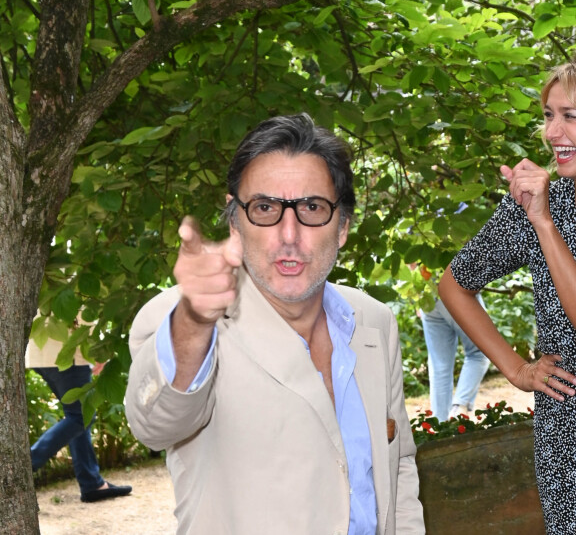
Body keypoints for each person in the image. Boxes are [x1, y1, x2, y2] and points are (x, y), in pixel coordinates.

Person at [125, 114, 425, 534]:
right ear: (234, 223)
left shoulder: (374, 322)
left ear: (342, 227)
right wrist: (194, 324)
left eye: (312, 208)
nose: (288, 233)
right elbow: (155, 425)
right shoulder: (182, 322)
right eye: (265, 208)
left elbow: (399, 468)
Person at [438, 51, 576, 534]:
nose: (552, 132)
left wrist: (543, 223)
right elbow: (453, 284)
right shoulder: (540, 200)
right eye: (547, 116)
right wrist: (516, 369)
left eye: (569, 117)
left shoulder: (540, 210)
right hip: (566, 431)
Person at [28, 333, 132, 503]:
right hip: (68, 353)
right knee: (81, 417)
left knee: (77, 416)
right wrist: (99, 353)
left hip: (39, 353)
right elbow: (84, 315)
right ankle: (26, 463)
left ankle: (92, 484)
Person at [419, 292, 489, 421]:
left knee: (439, 366)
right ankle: (459, 407)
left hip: (428, 298)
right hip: (457, 291)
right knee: (481, 352)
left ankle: (439, 424)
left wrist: (419, 298)